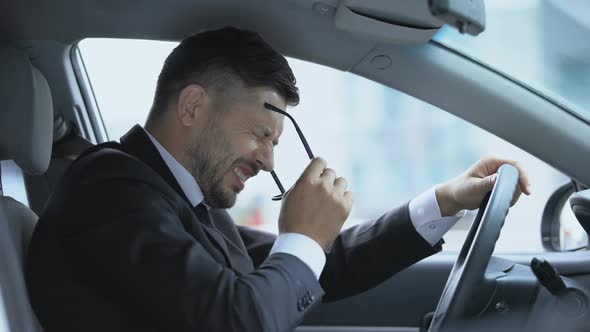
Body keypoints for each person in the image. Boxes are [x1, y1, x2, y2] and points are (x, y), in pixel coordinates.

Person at [25, 26, 531, 332]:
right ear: (194, 106)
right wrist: (304, 237)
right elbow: (238, 320)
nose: (268, 161)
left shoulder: (176, 199)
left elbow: (317, 268)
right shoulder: (110, 192)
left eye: (276, 144)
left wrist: (443, 202)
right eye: (260, 133)